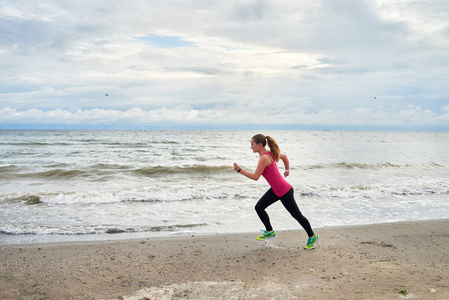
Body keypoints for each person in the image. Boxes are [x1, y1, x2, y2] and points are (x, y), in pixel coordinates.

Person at [233, 134, 319, 250]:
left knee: (296, 215)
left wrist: (239, 170)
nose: (251, 147)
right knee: (259, 207)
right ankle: (270, 231)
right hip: (275, 189)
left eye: (252, 145)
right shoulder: (269, 153)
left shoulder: (264, 157)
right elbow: (284, 157)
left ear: (259, 145)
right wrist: (287, 170)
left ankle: (312, 236)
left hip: (284, 191)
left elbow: (255, 177)